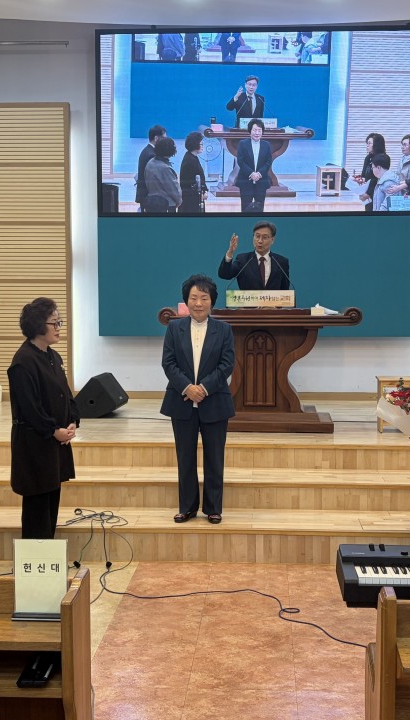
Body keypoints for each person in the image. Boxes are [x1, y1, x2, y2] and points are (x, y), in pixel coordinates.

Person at [161, 274, 235, 525]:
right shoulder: (174, 328)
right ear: (186, 301)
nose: (198, 303)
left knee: (215, 457)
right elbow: (168, 363)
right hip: (182, 401)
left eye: (204, 298)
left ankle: (213, 508)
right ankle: (187, 507)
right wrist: (187, 387)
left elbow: (227, 365)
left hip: (214, 401)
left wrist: (203, 388)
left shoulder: (224, 329)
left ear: (212, 301)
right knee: (185, 457)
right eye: (193, 298)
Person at [7, 298, 79, 539]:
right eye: (54, 323)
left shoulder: (53, 356)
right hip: (34, 444)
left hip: (53, 443)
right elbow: (30, 407)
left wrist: (72, 421)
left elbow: (65, 394)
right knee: (37, 508)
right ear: (38, 325)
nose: (59, 328)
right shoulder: (23, 361)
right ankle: (36, 557)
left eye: (59, 322)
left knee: (51, 501)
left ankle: (48, 554)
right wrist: (53, 430)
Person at [218, 221, 291, 291]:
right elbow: (224, 275)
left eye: (264, 237)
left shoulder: (281, 262)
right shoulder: (243, 260)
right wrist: (230, 252)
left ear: (272, 240)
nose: (260, 241)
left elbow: (285, 291)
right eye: (257, 236)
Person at [234, 118, 272, 213]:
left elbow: (268, 161)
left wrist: (259, 174)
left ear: (262, 132)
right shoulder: (242, 144)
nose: (257, 133)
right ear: (250, 131)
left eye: (259, 130)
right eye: (254, 130)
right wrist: (251, 174)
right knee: (245, 208)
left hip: (261, 181)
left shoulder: (266, 145)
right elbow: (241, 161)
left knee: (260, 209)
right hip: (245, 181)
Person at [143, 136, 181, 212]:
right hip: (166, 205)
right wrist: (179, 201)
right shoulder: (164, 168)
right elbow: (173, 189)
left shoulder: (150, 163)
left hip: (151, 203)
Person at [135, 124, 166, 211]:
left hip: (147, 195)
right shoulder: (151, 154)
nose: (165, 141)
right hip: (149, 196)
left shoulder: (147, 150)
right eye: (163, 138)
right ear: (156, 138)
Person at [353, 133, 386, 212]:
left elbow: (377, 179)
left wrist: (368, 193)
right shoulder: (368, 158)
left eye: (369, 143)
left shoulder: (382, 159)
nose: (367, 145)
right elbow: (364, 174)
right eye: (367, 143)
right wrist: (359, 179)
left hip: (376, 192)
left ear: (376, 145)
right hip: (366, 191)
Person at [179, 131, 208, 214]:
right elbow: (188, 183)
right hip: (190, 200)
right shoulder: (189, 160)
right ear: (195, 144)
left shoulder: (193, 157)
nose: (202, 146)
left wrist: (204, 190)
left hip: (194, 197)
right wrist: (202, 191)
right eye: (201, 144)